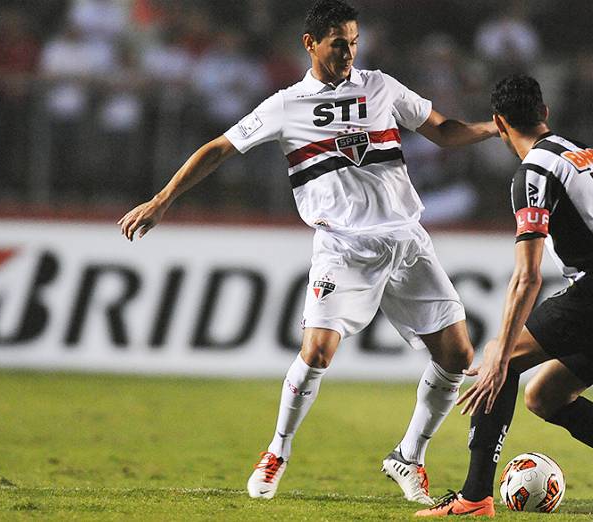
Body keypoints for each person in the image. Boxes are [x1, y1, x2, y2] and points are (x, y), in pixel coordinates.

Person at [118, 0, 497, 505]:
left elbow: (443, 130)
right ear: (311, 43)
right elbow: (219, 148)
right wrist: (163, 200)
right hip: (343, 248)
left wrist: (496, 128)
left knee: (457, 355)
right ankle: (277, 451)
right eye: (339, 42)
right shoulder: (286, 105)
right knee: (317, 350)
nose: (349, 52)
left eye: (354, 42)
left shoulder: (381, 86)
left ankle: (409, 456)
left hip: (408, 243)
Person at [415, 75, 593, 521]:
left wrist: (501, 356)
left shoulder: (535, 172)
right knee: (545, 395)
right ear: (545, 113)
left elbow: (527, 276)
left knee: (496, 360)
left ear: (500, 125)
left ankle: (474, 498)